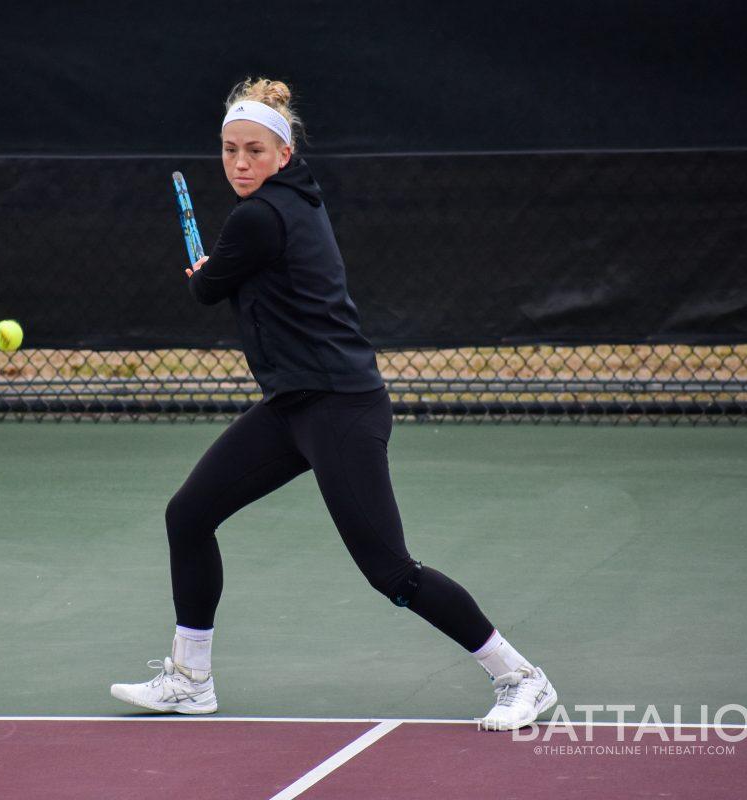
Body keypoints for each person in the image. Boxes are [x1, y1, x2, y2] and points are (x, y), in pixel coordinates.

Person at [110, 77, 556, 730]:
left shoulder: (257, 216)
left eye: (255, 151)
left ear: (282, 154)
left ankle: (520, 677)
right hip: (292, 406)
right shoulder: (295, 198)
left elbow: (208, 291)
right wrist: (217, 270)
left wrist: (207, 273)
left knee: (391, 572)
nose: (239, 163)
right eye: (230, 150)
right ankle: (190, 677)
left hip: (340, 411)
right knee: (190, 514)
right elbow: (237, 277)